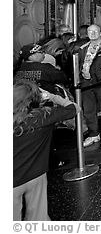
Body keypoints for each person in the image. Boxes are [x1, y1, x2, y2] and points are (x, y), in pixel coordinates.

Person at [13, 79, 80, 220]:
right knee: (39, 217)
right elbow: (73, 108)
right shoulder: (43, 116)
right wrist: (52, 96)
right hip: (37, 174)